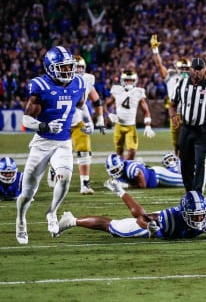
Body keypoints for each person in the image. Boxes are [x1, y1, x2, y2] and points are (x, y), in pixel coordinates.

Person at [16, 46, 89, 244]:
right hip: (42, 143)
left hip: (64, 142)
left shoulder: (78, 83)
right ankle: (21, 220)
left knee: (64, 179)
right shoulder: (40, 86)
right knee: (28, 192)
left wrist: (89, 121)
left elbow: (81, 106)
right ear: (50, 68)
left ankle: (52, 212)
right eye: (62, 67)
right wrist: (44, 124)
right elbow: (25, 120)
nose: (68, 71)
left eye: (69, 67)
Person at [57, 182, 206, 240]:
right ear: (184, 212)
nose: (200, 218)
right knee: (112, 226)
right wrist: (151, 228)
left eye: (201, 214)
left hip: (161, 225)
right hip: (150, 226)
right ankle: (72, 220)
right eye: (195, 215)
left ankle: (120, 191)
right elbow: (141, 218)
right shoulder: (170, 217)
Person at [150, 34, 206, 154]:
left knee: (192, 143)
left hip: (191, 113)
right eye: (181, 68)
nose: (183, 70)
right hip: (176, 113)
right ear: (176, 68)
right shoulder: (170, 77)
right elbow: (159, 65)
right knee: (177, 145)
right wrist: (155, 50)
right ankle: (178, 167)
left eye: (186, 68)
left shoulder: (194, 78)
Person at [168, 57, 206, 193]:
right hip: (186, 128)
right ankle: (189, 191)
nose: (197, 72)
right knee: (185, 161)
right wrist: (173, 115)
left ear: (204, 70)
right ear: (190, 69)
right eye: (195, 69)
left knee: (200, 162)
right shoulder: (181, 85)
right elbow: (172, 104)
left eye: (200, 69)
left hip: (203, 129)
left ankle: (198, 192)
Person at [70, 55, 106, 194]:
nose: (78, 70)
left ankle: (85, 184)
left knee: (85, 150)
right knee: (60, 153)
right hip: (60, 122)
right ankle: (54, 171)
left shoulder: (87, 79)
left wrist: (96, 120)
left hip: (77, 121)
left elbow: (94, 101)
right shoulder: (59, 81)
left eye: (81, 67)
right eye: (76, 67)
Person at [105, 69, 155, 160]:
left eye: (131, 80)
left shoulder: (138, 92)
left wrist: (148, 125)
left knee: (132, 152)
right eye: (127, 80)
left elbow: (146, 111)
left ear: (135, 81)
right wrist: (110, 114)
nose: (129, 82)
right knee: (119, 152)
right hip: (119, 126)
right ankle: (122, 171)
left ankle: (128, 168)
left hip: (131, 126)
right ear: (122, 81)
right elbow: (106, 105)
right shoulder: (117, 90)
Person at [104, 153, 206, 188]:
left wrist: (124, 186)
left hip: (159, 176)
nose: (115, 173)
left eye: (115, 170)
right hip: (155, 175)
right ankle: (175, 166)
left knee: (188, 180)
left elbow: (143, 185)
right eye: (112, 171)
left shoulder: (130, 169)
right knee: (187, 178)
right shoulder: (125, 167)